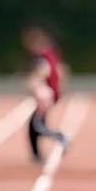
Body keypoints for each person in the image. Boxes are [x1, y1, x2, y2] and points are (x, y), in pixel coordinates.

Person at [23, 26, 68, 163]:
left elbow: (45, 70)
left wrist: (33, 80)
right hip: (50, 94)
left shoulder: (43, 56)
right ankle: (36, 155)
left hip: (45, 95)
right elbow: (63, 70)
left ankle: (61, 138)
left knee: (37, 126)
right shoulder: (52, 54)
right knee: (35, 125)